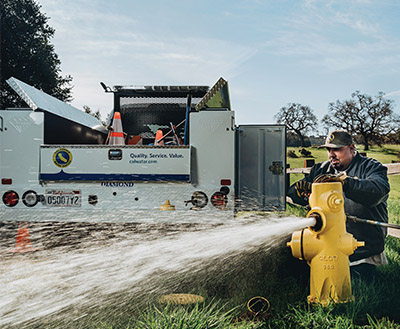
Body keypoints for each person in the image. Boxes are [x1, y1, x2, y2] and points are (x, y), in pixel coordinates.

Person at [287, 130, 390, 281]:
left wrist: (345, 183)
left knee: (351, 285)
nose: (331, 154)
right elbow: (296, 194)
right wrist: (300, 191)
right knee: (297, 277)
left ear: (351, 148)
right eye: (329, 149)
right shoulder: (321, 170)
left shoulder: (371, 167)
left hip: (362, 249)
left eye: (337, 149)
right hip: (326, 245)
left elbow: (378, 190)